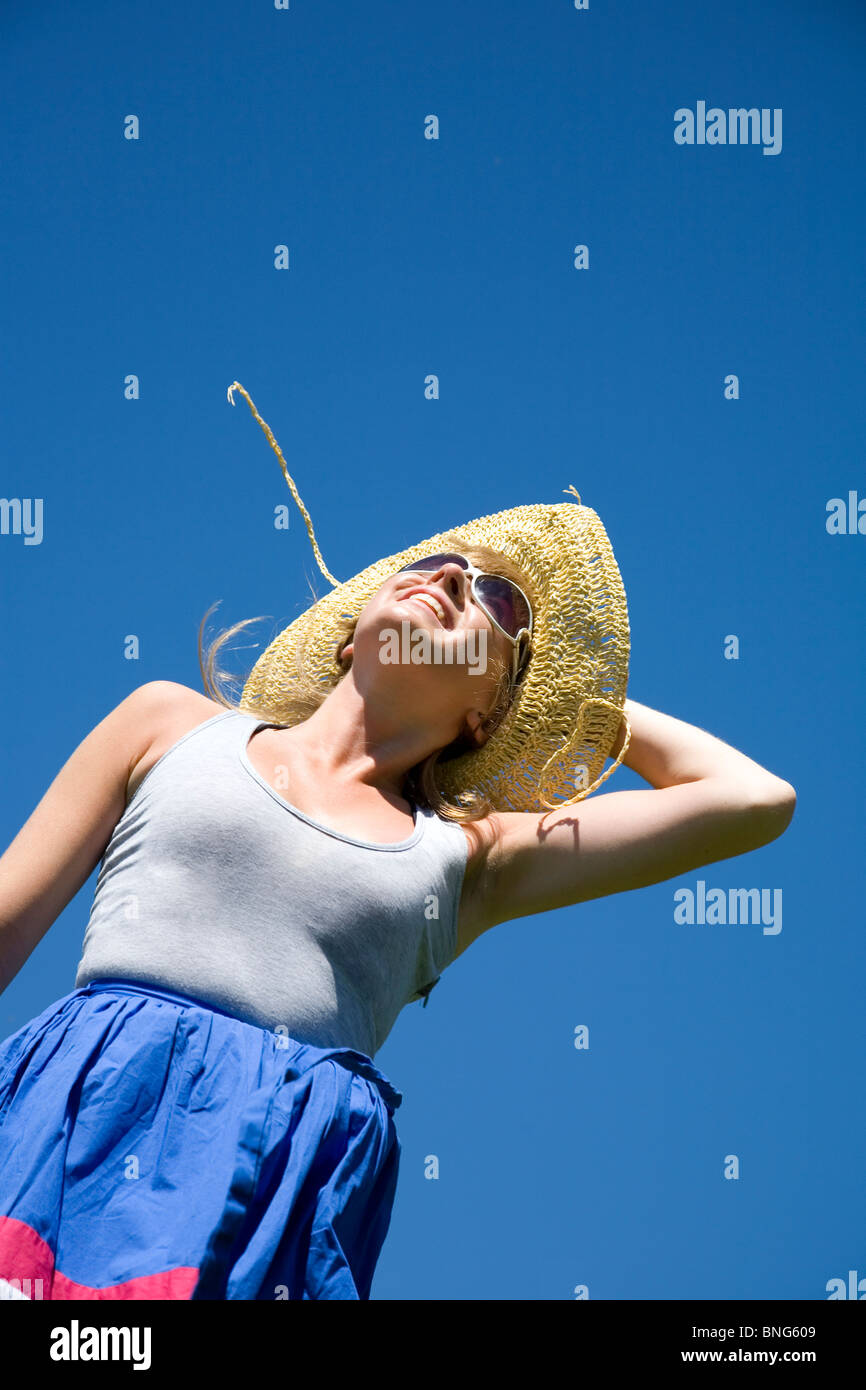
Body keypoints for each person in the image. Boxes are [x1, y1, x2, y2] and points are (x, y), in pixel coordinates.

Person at [0, 389, 796, 1301]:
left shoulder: (470, 856)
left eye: (494, 602)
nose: (453, 576)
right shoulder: (167, 724)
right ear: (347, 640)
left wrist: (579, 708)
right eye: (434, 564)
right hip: (76, 1124)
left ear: (485, 712)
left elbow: (752, 799)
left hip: (270, 1196)